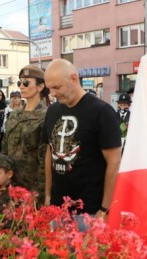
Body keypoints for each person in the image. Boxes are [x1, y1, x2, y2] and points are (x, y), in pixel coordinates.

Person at [43, 59, 121, 221]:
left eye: (57, 87)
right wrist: (48, 195)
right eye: (50, 88)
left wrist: (105, 209)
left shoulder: (102, 112)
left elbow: (114, 163)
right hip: (58, 208)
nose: (53, 93)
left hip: (89, 211)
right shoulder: (52, 111)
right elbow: (50, 152)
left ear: (73, 79)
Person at [2, 65, 48, 200]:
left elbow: (44, 160)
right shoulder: (14, 114)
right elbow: (4, 149)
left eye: (26, 83)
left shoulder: (46, 116)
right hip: (10, 186)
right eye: (19, 82)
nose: (21, 86)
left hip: (31, 188)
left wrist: (37, 192)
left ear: (40, 87)